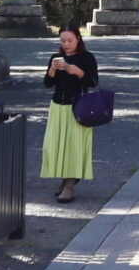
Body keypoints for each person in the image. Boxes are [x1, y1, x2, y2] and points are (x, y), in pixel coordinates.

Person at [41, 25, 100, 202]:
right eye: (62, 41)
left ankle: (69, 185)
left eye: (70, 40)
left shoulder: (87, 58)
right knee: (56, 146)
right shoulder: (56, 58)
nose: (66, 44)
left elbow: (93, 81)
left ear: (78, 39)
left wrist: (78, 71)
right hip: (58, 106)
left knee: (74, 147)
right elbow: (47, 84)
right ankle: (65, 179)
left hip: (78, 107)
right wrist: (52, 69)